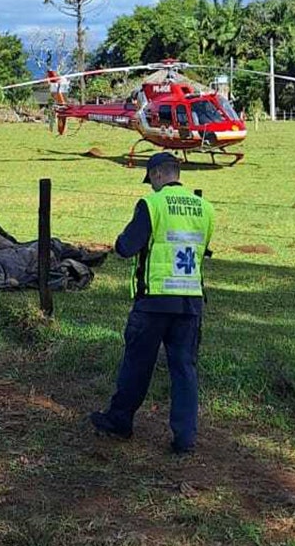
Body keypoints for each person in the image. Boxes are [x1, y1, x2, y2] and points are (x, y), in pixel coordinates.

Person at [89, 152, 216, 455]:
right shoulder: (205, 208)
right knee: (185, 370)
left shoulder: (153, 204)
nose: (151, 186)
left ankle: (120, 421)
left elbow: (127, 246)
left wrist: (120, 241)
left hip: (155, 300)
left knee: (137, 364)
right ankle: (185, 438)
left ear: (158, 175)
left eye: (151, 180)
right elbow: (203, 249)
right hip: (190, 302)